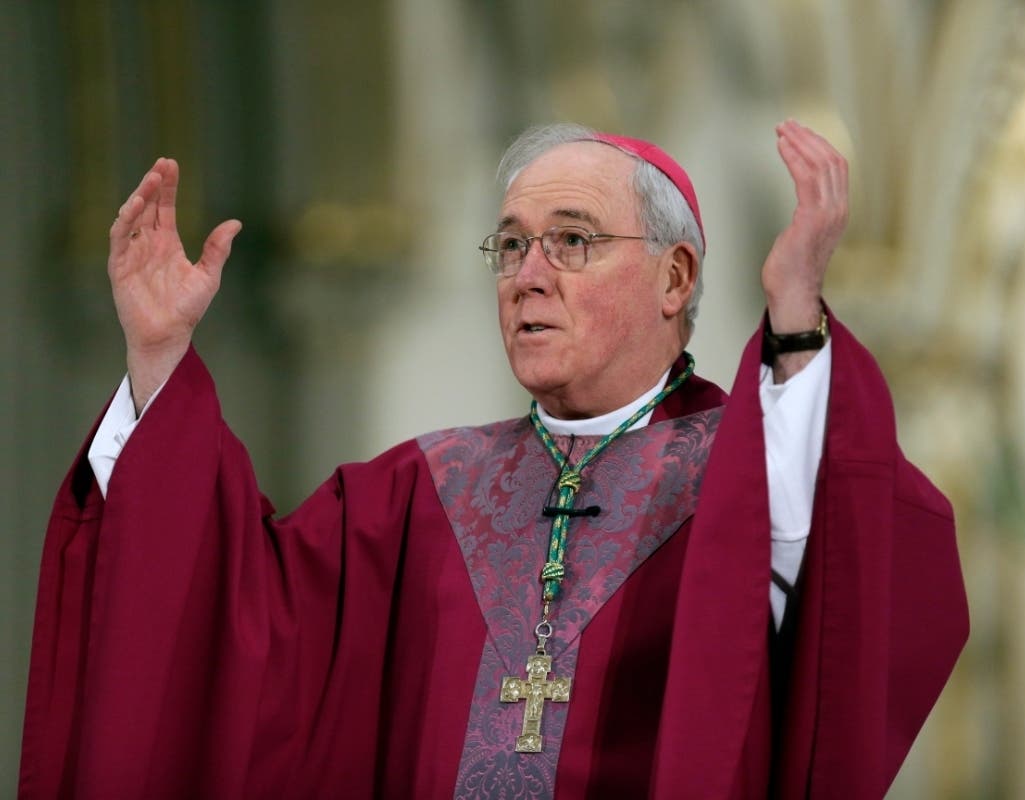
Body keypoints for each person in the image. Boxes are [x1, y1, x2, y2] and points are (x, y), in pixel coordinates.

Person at [19, 121, 967, 799]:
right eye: (509, 246)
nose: (527, 275)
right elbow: (233, 614)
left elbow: (851, 566)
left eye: (572, 242)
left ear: (674, 278)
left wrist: (797, 316)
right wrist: (158, 359)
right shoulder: (416, 490)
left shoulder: (737, 476)